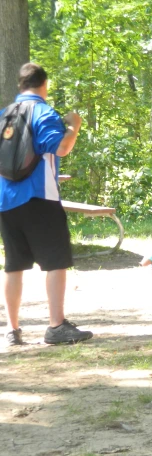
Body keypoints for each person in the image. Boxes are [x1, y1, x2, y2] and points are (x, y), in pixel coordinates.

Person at [0, 63, 92, 346]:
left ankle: (11, 330)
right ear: (45, 84)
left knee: (14, 265)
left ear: (20, 85)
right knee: (56, 261)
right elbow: (61, 147)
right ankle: (56, 326)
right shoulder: (44, 112)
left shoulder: (4, 114)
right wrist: (74, 126)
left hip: (6, 199)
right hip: (39, 197)